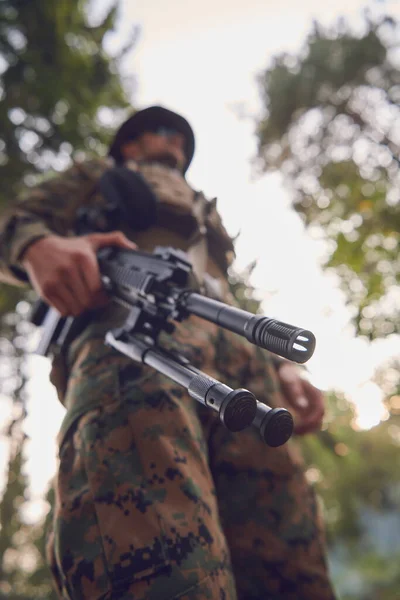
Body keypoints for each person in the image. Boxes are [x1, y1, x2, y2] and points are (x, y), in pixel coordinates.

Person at [0, 106, 336, 600]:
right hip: (132, 335)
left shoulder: (202, 207)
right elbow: (15, 220)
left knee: (288, 554)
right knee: (158, 553)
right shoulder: (99, 176)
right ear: (130, 145)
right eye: (161, 132)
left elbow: (228, 290)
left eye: (181, 136)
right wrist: (36, 247)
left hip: (237, 347)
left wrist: (284, 365)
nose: (174, 141)